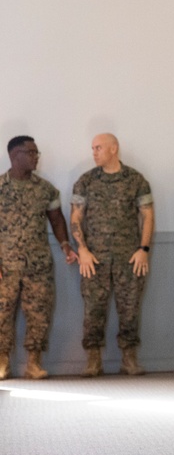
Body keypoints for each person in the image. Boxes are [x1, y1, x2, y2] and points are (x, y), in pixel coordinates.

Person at [71, 133, 154, 377]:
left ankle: (129, 359)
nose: (94, 152)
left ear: (113, 149)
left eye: (98, 148)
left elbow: (147, 216)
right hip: (94, 259)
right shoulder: (85, 181)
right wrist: (82, 250)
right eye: (93, 148)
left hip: (129, 259)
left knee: (129, 309)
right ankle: (93, 359)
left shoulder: (136, 180)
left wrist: (143, 250)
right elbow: (76, 217)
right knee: (93, 310)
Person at [0, 136, 78, 380]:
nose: (36, 157)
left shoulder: (46, 189)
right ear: (14, 156)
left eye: (37, 153)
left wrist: (65, 245)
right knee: (2, 313)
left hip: (38, 264)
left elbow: (56, 219)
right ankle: (2, 362)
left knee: (39, 313)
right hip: (5, 265)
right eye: (30, 152)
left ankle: (34, 363)